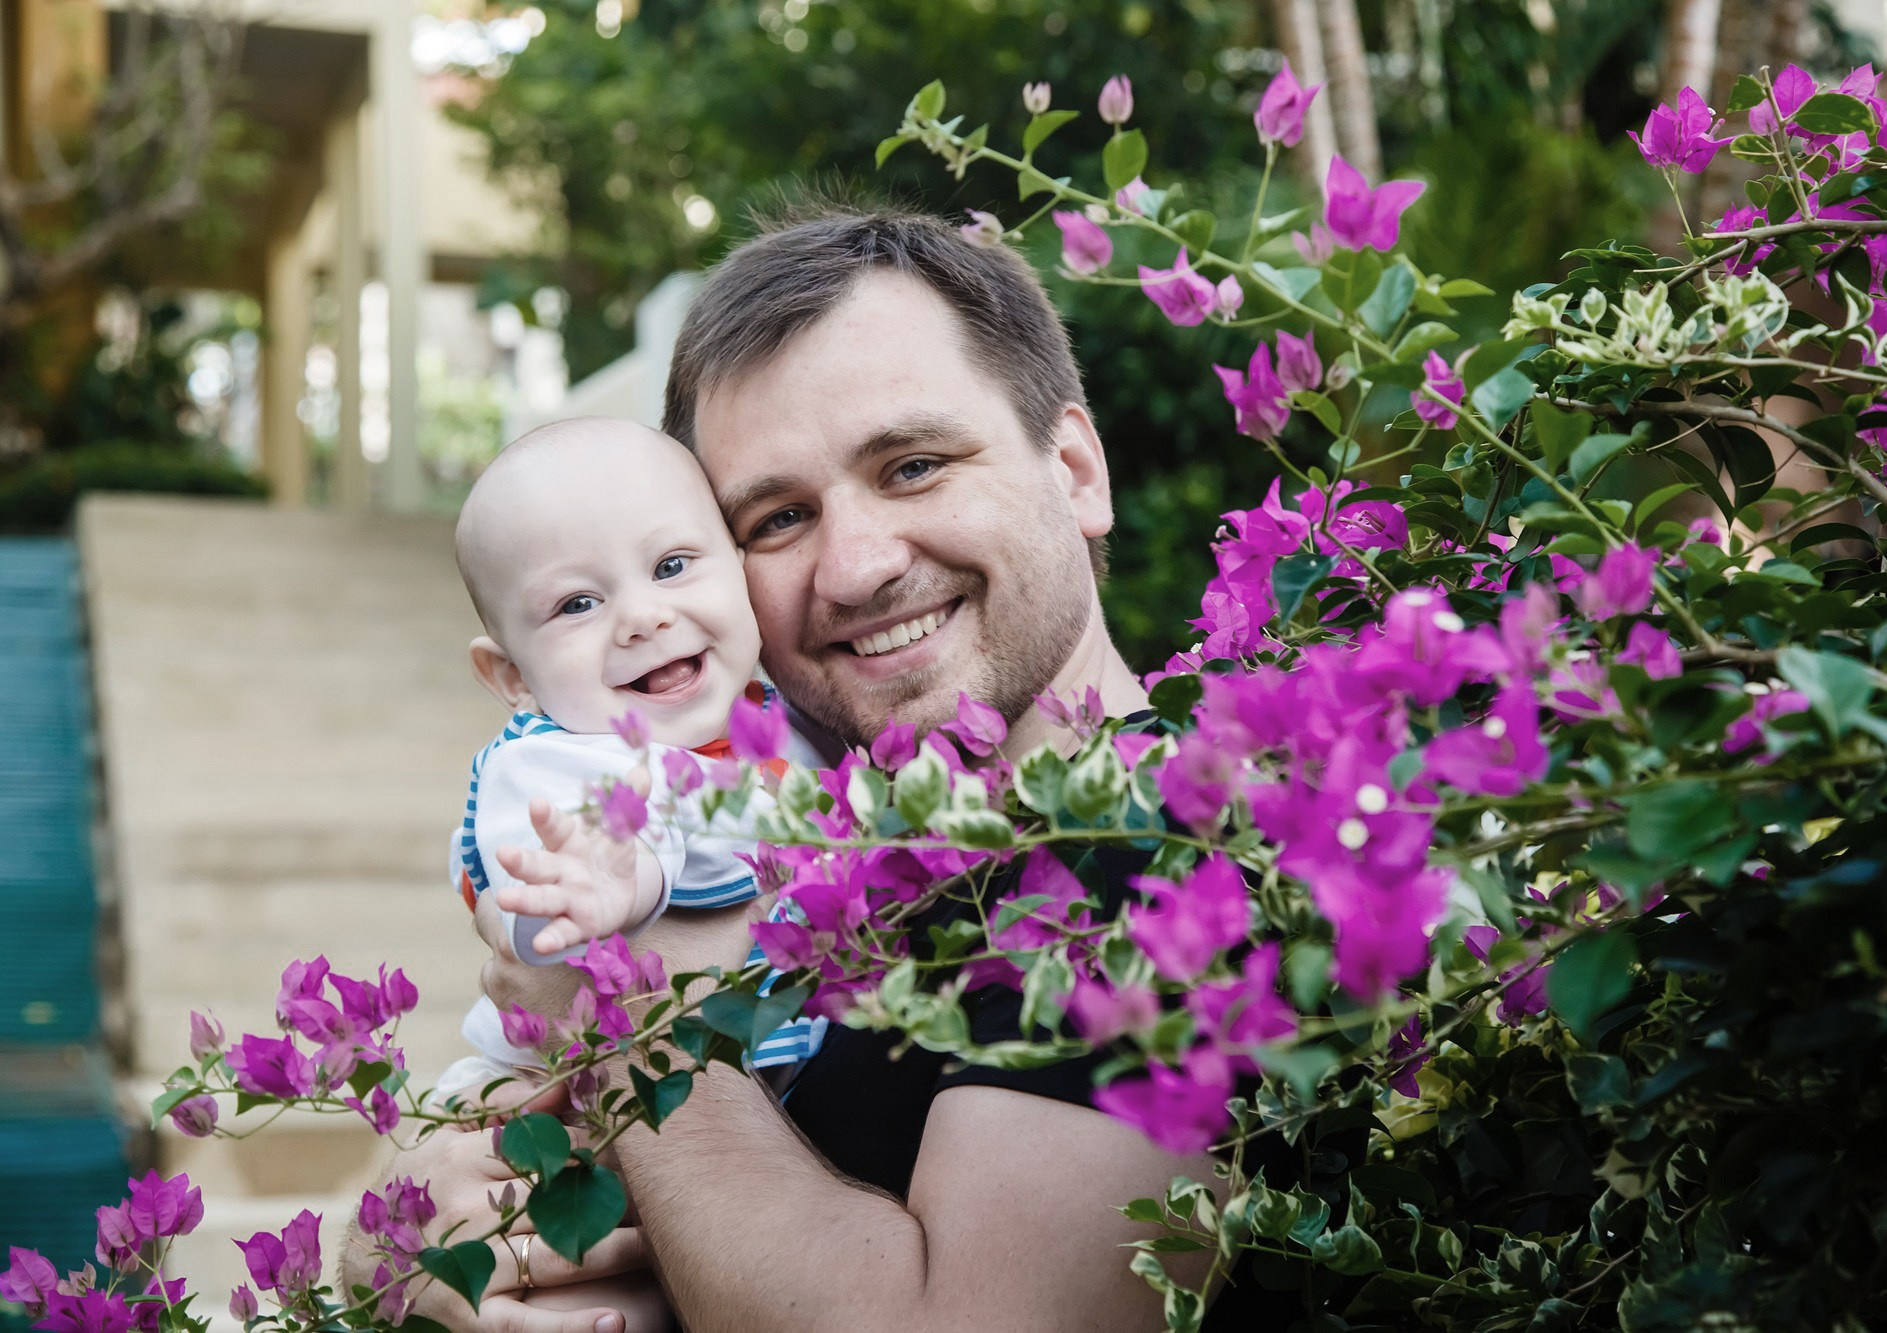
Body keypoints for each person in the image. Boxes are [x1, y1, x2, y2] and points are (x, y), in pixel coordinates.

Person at [344, 208, 1270, 1331]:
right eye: (776, 518)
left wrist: (621, 1019)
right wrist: (406, 1253)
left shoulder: (1170, 857)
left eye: (913, 465)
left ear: (1073, 470)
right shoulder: (816, 843)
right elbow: (399, 1223)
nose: (856, 566)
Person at [437, 419, 824, 1108]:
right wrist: (621, 881)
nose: (643, 616)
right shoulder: (546, 764)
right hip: (564, 1102)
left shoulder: (790, 720)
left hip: (768, 1100)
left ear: (741, 568)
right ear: (513, 676)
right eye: (577, 604)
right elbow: (536, 907)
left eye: (671, 565)